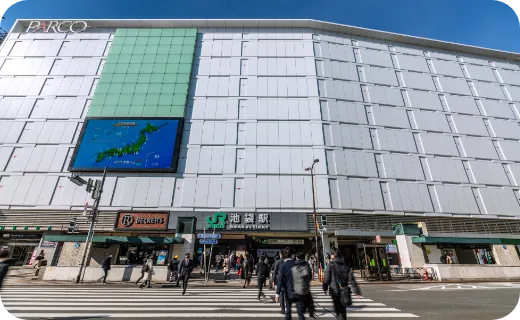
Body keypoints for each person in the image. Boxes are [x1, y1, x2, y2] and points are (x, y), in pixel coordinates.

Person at [323, 248, 361, 320]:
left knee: (338, 309)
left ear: (333, 255)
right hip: (344, 290)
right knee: (343, 309)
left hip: (335, 290)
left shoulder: (331, 265)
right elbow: (351, 279)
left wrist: (325, 287)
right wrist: (356, 291)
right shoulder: (345, 265)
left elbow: (326, 278)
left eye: (331, 254)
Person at [275, 247, 298, 320]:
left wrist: (277, 294)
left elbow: (280, 280)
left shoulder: (283, 266)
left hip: (288, 292)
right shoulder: (296, 264)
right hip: (298, 291)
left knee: (288, 311)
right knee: (300, 312)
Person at [292, 252, 315, 319]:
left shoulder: (293, 265)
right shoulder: (306, 264)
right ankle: (310, 312)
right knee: (309, 301)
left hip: (297, 290)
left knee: (300, 311)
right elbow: (310, 275)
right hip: (306, 288)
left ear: (296, 257)